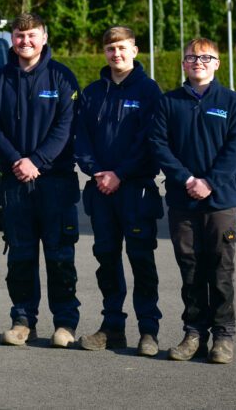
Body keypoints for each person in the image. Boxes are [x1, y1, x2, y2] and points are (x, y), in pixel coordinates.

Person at [0, 13, 82, 348]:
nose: (25, 41)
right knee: (20, 257)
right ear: (12, 38)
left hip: (56, 182)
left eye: (31, 35)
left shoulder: (62, 77)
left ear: (44, 37)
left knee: (60, 257)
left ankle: (65, 324)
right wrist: (17, 161)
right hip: (14, 183)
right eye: (19, 35)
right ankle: (23, 321)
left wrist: (36, 161)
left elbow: (66, 127)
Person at [150, 38, 236, 364]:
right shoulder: (168, 103)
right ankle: (194, 333)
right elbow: (159, 145)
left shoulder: (234, 103)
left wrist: (209, 182)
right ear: (183, 63)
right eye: (192, 57)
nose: (199, 62)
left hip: (220, 202)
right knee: (190, 270)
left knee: (221, 270)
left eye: (206, 57)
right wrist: (187, 180)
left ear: (217, 63)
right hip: (183, 201)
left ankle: (223, 336)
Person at [74, 26, 164, 356]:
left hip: (135, 191)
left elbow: (150, 141)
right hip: (101, 191)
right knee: (107, 260)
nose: (117, 54)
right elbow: (81, 139)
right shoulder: (92, 93)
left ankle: (148, 331)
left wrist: (120, 174)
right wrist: (98, 172)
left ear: (135, 51)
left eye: (123, 48)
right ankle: (112, 327)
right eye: (111, 48)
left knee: (141, 260)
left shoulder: (149, 91)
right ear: (105, 52)